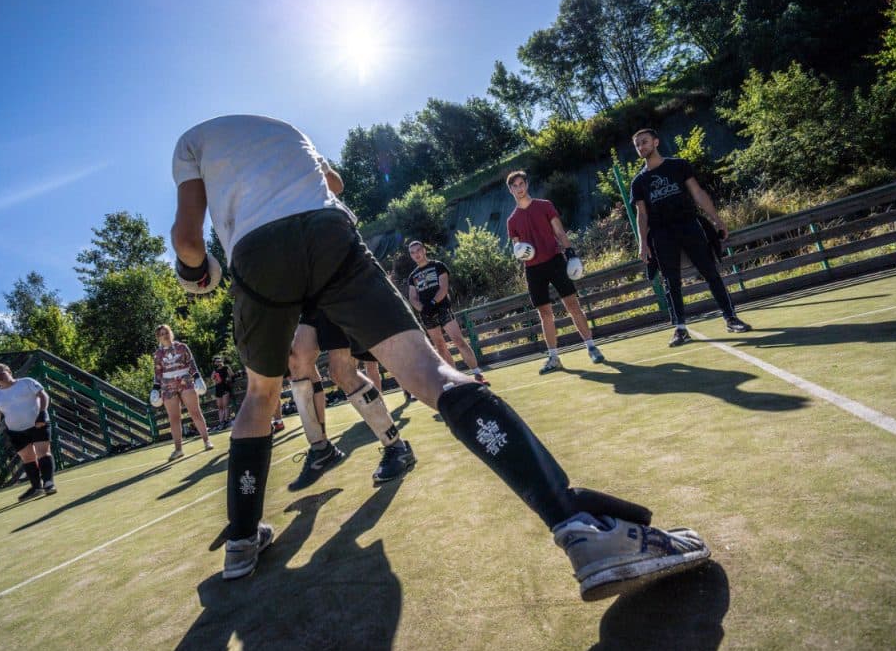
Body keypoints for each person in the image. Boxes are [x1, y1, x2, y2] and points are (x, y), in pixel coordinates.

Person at [171, 114, 709, 599]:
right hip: (326, 230)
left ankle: (241, 540)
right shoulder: (287, 131)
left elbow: (188, 241)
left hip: (257, 255)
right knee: (434, 374)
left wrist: (197, 273)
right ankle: (577, 525)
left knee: (261, 396)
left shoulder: (191, 143)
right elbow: (332, 185)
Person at [629, 128, 751, 347]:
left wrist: (717, 220)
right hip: (661, 233)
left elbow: (698, 193)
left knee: (710, 272)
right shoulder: (638, 182)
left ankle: (731, 318)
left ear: (656, 142)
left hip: (688, 224)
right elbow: (642, 214)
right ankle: (680, 329)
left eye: (644, 142)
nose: (641, 147)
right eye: (637, 145)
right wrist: (643, 243)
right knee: (671, 282)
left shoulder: (678, 165)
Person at [286, 308, 415, 491]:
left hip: (336, 291)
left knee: (341, 370)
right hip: (312, 300)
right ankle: (321, 449)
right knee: (297, 362)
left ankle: (398, 448)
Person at [505, 171, 605, 373]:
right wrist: (520, 252)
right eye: (514, 186)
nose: (519, 188)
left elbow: (559, 232)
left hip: (555, 261)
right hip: (533, 269)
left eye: (521, 183)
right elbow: (518, 248)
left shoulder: (545, 205)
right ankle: (553, 358)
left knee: (572, 305)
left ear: (527, 184)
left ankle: (592, 347)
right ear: (510, 190)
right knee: (545, 314)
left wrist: (571, 253)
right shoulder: (511, 221)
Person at [406, 241, 489, 385]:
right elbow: (412, 298)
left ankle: (477, 374)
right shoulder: (412, 276)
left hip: (443, 309)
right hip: (427, 315)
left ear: (424, 250)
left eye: (418, 250)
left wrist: (432, 303)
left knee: (458, 340)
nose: (416, 254)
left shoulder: (438, 266)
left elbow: (443, 288)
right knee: (440, 346)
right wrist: (423, 309)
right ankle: (456, 379)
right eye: (412, 252)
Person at [0, 363, 60, 500]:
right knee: (27, 458)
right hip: (16, 431)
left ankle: (49, 483)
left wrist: (43, 413)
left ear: (9, 371)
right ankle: (36, 487)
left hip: (38, 424)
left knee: (43, 452)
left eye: (2, 373)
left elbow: (44, 396)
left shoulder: (27, 382)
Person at [150, 325, 214, 459]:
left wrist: (197, 377)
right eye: (161, 334)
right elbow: (157, 372)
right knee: (174, 418)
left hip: (185, 380)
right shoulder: (157, 354)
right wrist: (156, 388)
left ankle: (207, 441)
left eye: (166, 332)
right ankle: (178, 449)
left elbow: (191, 363)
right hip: (167, 385)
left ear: (170, 333)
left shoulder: (182, 347)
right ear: (158, 337)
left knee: (195, 412)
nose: (165, 335)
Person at [210, 355, 235, 432]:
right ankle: (221, 422)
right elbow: (212, 378)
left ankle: (226, 420)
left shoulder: (226, 367)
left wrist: (229, 380)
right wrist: (214, 375)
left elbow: (232, 375)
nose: (218, 362)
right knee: (220, 406)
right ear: (215, 363)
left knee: (225, 405)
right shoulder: (215, 370)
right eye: (216, 361)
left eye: (219, 361)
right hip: (218, 388)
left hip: (225, 387)